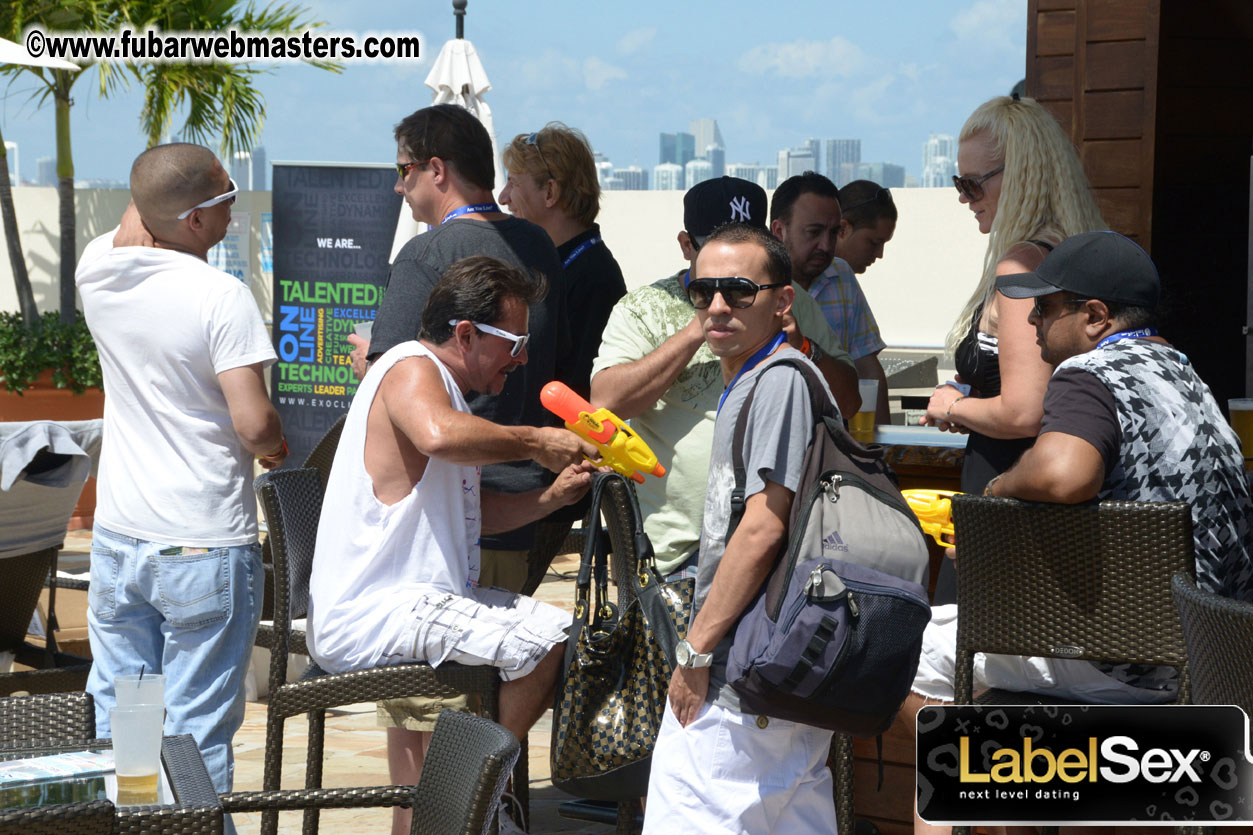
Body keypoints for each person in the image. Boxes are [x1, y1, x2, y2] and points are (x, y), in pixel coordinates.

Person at [308, 256, 598, 834]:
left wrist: (551, 500)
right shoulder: (411, 366)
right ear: (466, 334)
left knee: (556, 637)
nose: (521, 359)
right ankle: (459, 810)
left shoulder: (442, 390)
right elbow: (436, 435)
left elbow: (473, 514)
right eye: (515, 342)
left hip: (404, 602)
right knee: (542, 647)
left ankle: (463, 805)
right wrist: (537, 441)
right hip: (375, 611)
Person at [76, 143, 286, 808]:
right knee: (197, 730)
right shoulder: (221, 297)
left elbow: (140, 215)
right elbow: (253, 424)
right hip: (201, 541)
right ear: (194, 219)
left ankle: (127, 825)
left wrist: (155, 199)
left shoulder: (95, 271)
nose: (233, 205)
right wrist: (278, 447)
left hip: (119, 536)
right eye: (225, 195)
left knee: (123, 722)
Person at [643, 222, 838, 833]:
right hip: (779, 672)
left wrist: (695, 651)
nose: (717, 306)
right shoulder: (764, 378)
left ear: (783, 302)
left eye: (739, 291)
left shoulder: (777, 381)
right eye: (703, 292)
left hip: (743, 672)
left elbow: (761, 528)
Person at [591, 176, 857, 579]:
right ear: (686, 246)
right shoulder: (645, 307)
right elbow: (605, 402)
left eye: (744, 246)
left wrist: (804, 346)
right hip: (674, 550)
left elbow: (849, 401)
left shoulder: (789, 300)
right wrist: (708, 318)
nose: (729, 262)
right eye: (714, 247)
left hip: (775, 540)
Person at [921, 94, 1107, 604]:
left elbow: (1024, 410)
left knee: (954, 669)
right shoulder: (1076, 257)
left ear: (1021, 176)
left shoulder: (1021, 267)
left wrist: (951, 405)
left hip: (1007, 490)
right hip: (1057, 495)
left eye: (972, 183)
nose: (964, 197)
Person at [500, 122, 626, 397]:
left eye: (513, 183)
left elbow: (579, 391)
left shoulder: (595, 278)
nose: (503, 197)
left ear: (550, 192)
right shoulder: (554, 264)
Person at [772, 171, 891, 423]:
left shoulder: (842, 274)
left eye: (833, 232)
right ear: (779, 230)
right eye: (813, 232)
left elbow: (867, 367)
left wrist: (882, 450)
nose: (826, 245)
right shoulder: (758, 286)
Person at [833, 179, 898, 422]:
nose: (879, 254)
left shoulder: (844, 280)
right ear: (842, 228)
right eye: (874, 242)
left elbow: (868, 369)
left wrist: (882, 448)